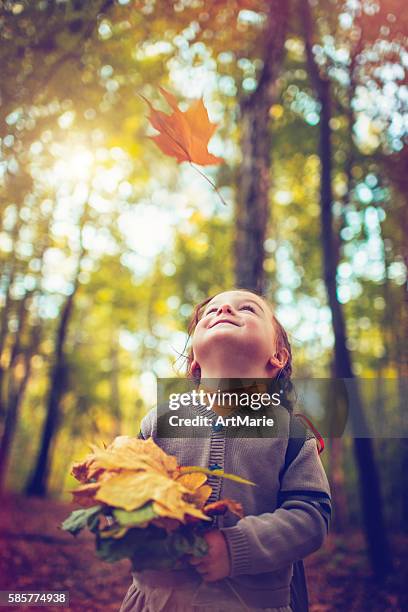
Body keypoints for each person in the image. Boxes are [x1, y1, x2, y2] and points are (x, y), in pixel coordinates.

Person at [120, 289, 332, 612]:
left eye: (246, 308)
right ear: (193, 360)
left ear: (278, 357)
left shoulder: (292, 435)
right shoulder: (158, 421)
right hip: (156, 601)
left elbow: (312, 517)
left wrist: (235, 549)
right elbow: (126, 493)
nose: (224, 311)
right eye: (212, 311)